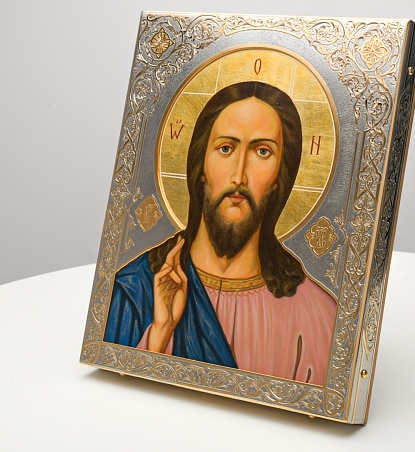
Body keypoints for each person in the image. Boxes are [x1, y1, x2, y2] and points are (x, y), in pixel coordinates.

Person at [105, 81, 337, 385]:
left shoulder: (316, 314)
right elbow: (113, 392)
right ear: (200, 165)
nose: (239, 175)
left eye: (262, 151)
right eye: (226, 148)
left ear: (280, 177)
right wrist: (160, 333)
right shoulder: (133, 291)